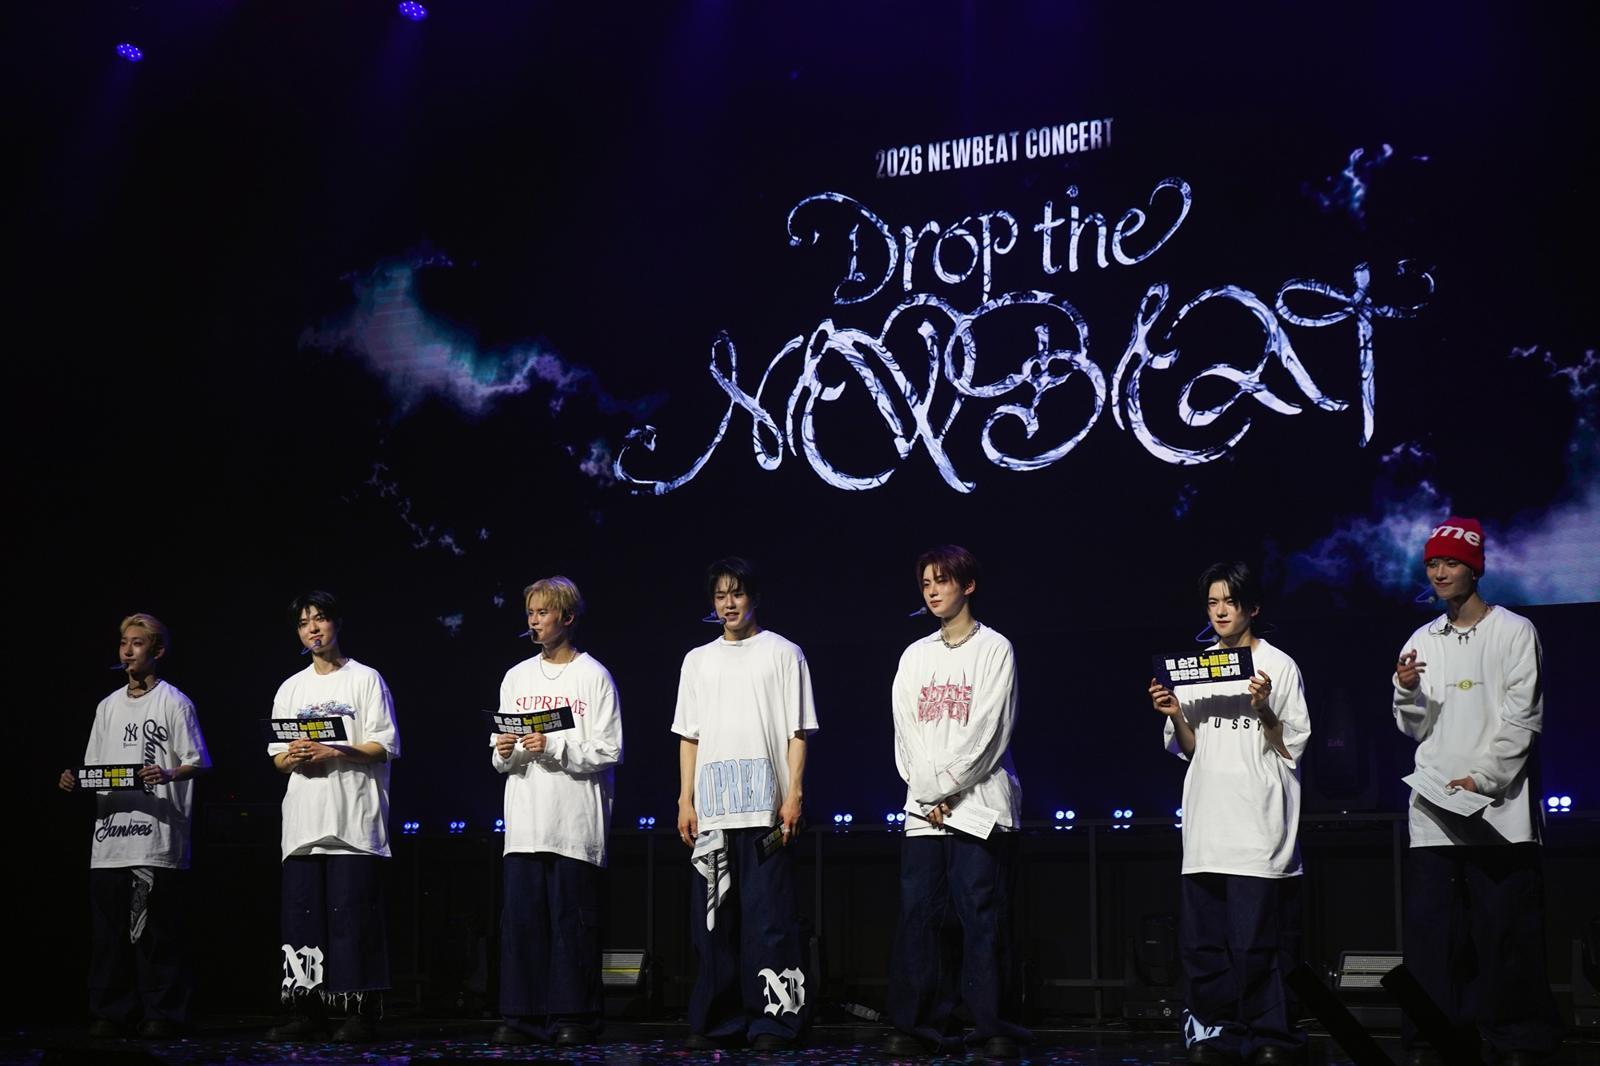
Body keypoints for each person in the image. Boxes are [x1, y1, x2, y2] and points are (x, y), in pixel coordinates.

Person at [1392, 518, 1562, 1066]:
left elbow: (1522, 719)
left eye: (1451, 563)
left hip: (1498, 810)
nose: (1440, 573)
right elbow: (1413, 727)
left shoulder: (1514, 631)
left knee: (1505, 932)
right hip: (1433, 809)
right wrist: (1406, 691)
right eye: (1432, 564)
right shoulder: (1422, 639)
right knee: (1433, 938)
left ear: (1475, 568)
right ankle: (1434, 1039)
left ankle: (1517, 1039)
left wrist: (1482, 780)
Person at [1150, 561, 1310, 1066]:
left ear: (1252, 608)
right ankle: (1214, 1031)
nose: (1220, 611)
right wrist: (1174, 712)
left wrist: (1263, 708)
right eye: (1213, 603)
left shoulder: (1278, 665)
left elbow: (1291, 746)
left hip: (1257, 823)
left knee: (1255, 940)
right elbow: (1190, 747)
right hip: (1206, 824)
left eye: (1230, 602)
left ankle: (1270, 1034)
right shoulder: (1195, 668)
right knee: (1203, 943)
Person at [882, 545, 1029, 1059]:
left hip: (979, 805)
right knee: (919, 916)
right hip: (925, 810)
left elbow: (988, 731)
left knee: (981, 914)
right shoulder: (914, 655)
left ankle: (992, 1025)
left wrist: (945, 787)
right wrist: (928, 791)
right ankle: (920, 1024)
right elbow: (905, 732)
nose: (932, 591)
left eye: (942, 581)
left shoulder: (995, 649)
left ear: (967, 585)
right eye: (926, 583)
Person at [672, 557, 817, 1050]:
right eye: (720, 596)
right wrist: (685, 799)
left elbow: (798, 731)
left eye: (736, 594)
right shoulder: (697, 660)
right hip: (713, 813)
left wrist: (793, 794)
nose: (728, 604)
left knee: (770, 920)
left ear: (754, 597)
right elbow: (689, 736)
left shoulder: (784, 653)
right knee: (714, 923)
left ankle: (774, 1022)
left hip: (766, 811)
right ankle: (719, 1021)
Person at [59, 613, 211, 1039]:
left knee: (155, 933)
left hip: (155, 840)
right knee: (109, 933)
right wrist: (74, 779)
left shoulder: (174, 702)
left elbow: (199, 762)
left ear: (158, 651)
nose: (128, 650)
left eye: (138, 643)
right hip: (110, 840)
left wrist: (168, 773)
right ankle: (110, 1011)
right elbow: (93, 768)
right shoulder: (107, 706)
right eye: (124, 642)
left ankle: (162, 1012)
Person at [490, 576, 623, 1046]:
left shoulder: (594, 676)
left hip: (574, 823)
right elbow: (500, 755)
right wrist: (505, 750)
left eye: (543, 612)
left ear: (567, 617)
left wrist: (553, 745)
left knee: (572, 922)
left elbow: (609, 749)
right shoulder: (516, 677)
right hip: (526, 822)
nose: (534, 621)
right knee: (523, 922)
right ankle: (522, 1016)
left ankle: (574, 1015)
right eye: (530, 613)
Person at [266, 591, 401, 1043]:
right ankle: (307, 1012)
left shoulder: (365, 679)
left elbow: (383, 745)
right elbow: (277, 757)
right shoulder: (291, 687)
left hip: (352, 822)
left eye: (320, 619)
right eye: (304, 622)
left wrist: (334, 750)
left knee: (353, 920)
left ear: (336, 624)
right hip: (304, 824)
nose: (312, 629)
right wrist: (293, 756)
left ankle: (359, 1014)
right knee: (302, 922)